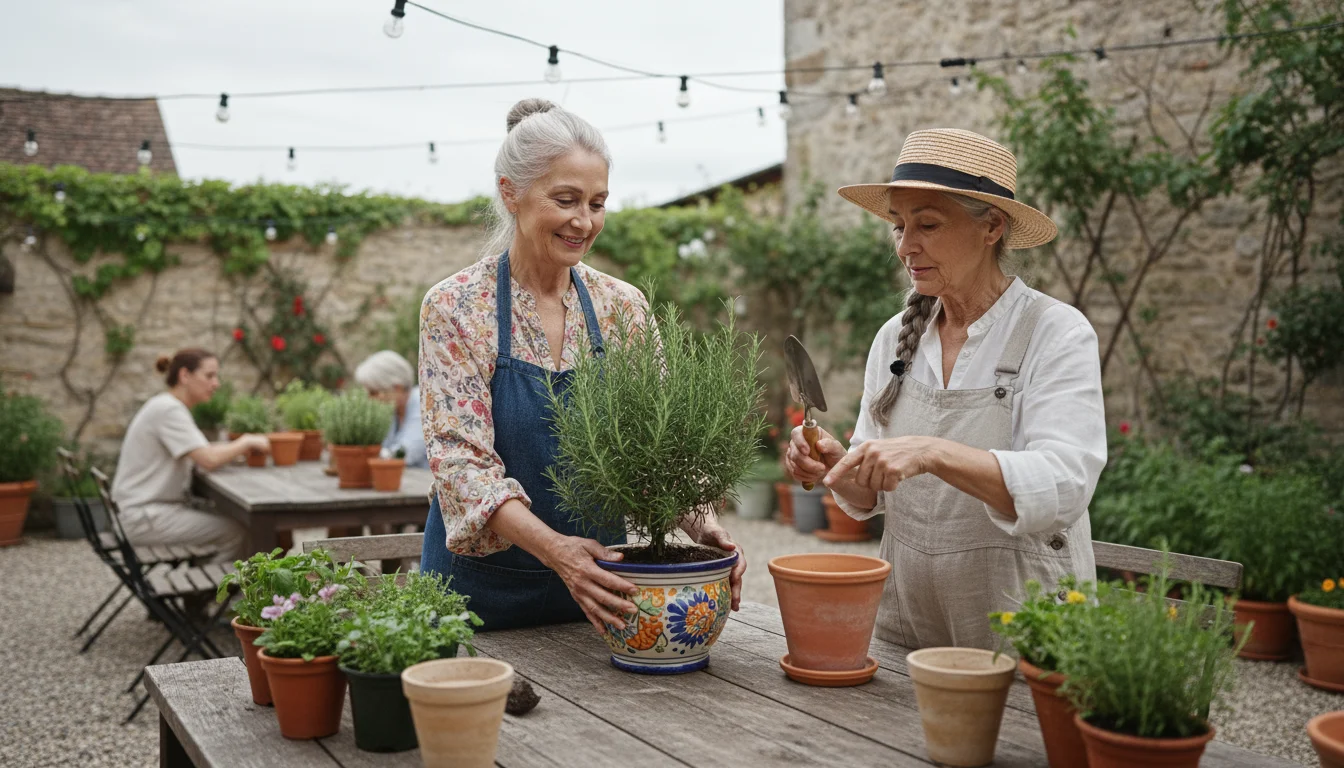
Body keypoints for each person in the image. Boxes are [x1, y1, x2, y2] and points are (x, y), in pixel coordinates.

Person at [418, 98, 747, 633]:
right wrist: (558, 552)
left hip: (594, 603)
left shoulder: (623, 308)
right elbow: (462, 468)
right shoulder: (455, 308)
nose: (584, 221)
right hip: (478, 603)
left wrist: (705, 525)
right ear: (511, 192)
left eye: (598, 202)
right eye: (566, 199)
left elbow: (655, 448)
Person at [786, 129, 1106, 651]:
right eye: (899, 226)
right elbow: (870, 494)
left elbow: (1065, 484)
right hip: (906, 622)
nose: (906, 246)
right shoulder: (896, 338)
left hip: (1023, 625)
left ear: (992, 228)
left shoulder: (1055, 333)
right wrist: (837, 467)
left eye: (928, 225)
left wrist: (934, 452)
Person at [111, 349, 268, 564]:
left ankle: (203, 592)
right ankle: (216, 595)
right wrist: (246, 441)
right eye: (209, 376)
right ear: (185, 376)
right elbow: (208, 459)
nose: (216, 383)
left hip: (143, 512)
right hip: (143, 517)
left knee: (237, 523)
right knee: (237, 532)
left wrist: (234, 451)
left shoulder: (166, 406)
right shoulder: (169, 410)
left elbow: (202, 451)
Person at [354, 350, 428, 468]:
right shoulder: (393, 411)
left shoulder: (422, 401)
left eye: (373, 392)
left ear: (397, 387)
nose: (370, 399)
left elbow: (406, 453)